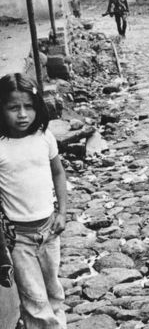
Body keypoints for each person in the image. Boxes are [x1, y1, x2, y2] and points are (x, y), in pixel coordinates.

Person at [0, 73, 67, 327]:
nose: (22, 115)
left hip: (50, 230)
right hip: (19, 237)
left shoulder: (44, 138)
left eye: (28, 106)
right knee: (34, 299)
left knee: (54, 292)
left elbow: (58, 172)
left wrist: (62, 212)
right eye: (13, 107)